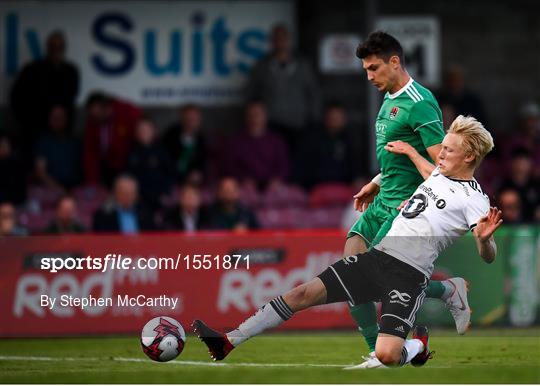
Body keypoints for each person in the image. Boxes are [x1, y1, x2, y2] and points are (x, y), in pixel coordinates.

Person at [193, 115, 501, 368]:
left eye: (448, 150)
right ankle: (227, 341)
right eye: (443, 147)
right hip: (377, 259)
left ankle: (416, 345)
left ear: (470, 156)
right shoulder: (439, 173)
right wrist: (407, 155)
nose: (441, 153)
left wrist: (485, 241)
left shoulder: (474, 199)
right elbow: (428, 171)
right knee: (301, 293)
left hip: (408, 275)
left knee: (388, 356)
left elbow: (488, 254)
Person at [342, 31, 469, 368]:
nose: (369, 77)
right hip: (383, 199)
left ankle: (447, 292)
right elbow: (396, 161)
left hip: (406, 211)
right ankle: (376, 350)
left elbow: (445, 171)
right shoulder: (388, 97)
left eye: (373, 68)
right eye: (366, 70)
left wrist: (416, 192)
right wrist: (376, 181)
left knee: (379, 279)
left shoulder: (420, 102)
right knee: (349, 264)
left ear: (394, 62)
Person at [245, 24, 321, 150]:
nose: (280, 42)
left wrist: (313, 120)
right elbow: (251, 93)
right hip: (270, 124)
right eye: (276, 38)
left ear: (289, 40)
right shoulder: (262, 66)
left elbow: (313, 93)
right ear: (271, 41)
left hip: (298, 124)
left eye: (283, 38)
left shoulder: (303, 65)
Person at [10, 30, 79, 153]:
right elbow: (16, 99)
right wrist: (31, 120)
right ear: (47, 48)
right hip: (35, 131)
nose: (56, 50)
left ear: (64, 48)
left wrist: (61, 120)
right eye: (53, 46)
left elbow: (70, 99)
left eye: (60, 46)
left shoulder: (71, 71)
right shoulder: (31, 69)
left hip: (61, 135)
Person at [221, 102, 290, 190]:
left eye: (258, 114)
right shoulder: (236, 141)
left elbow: (284, 166)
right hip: (244, 186)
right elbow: (229, 166)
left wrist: (277, 180)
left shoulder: (276, 141)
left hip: (273, 186)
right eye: (251, 115)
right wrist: (242, 179)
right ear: (246, 117)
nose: (255, 118)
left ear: (265, 116)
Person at [294, 102, 359, 189]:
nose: (336, 120)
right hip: (316, 189)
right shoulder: (313, 139)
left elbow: (354, 169)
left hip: (343, 188)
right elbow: (304, 169)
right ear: (326, 118)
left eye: (339, 117)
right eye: (333, 117)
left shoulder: (347, 140)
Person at [83, 92, 142, 186]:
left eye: (98, 114)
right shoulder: (92, 123)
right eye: (92, 115)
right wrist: (92, 182)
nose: (95, 118)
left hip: (129, 163)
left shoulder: (125, 113)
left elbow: (142, 133)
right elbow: (90, 154)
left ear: (107, 108)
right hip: (107, 167)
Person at [127, 117, 174, 209]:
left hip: (159, 196)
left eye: (146, 130)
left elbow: (170, 173)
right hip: (139, 198)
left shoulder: (161, 151)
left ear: (153, 131)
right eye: (140, 130)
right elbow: (129, 176)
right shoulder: (132, 152)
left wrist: (165, 192)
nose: (143, 132)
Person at [34, 105, 81, 191]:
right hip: (50, 187)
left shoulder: (74, 141)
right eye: (54, 117)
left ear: (66, 119)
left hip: (74, 187)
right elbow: (40, 172)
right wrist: (59, 188)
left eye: (60, 117)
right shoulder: (44, 142)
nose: (57, 121)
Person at [162, 104, 207, 185]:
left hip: (194, 179)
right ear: (182, 118)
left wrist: (198, 172)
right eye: (188, 118)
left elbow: (203, 161)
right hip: (172, 177)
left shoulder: (201, 139)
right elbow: (165, 159)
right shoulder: (171, 135)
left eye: (194, 119)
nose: (191, 121)